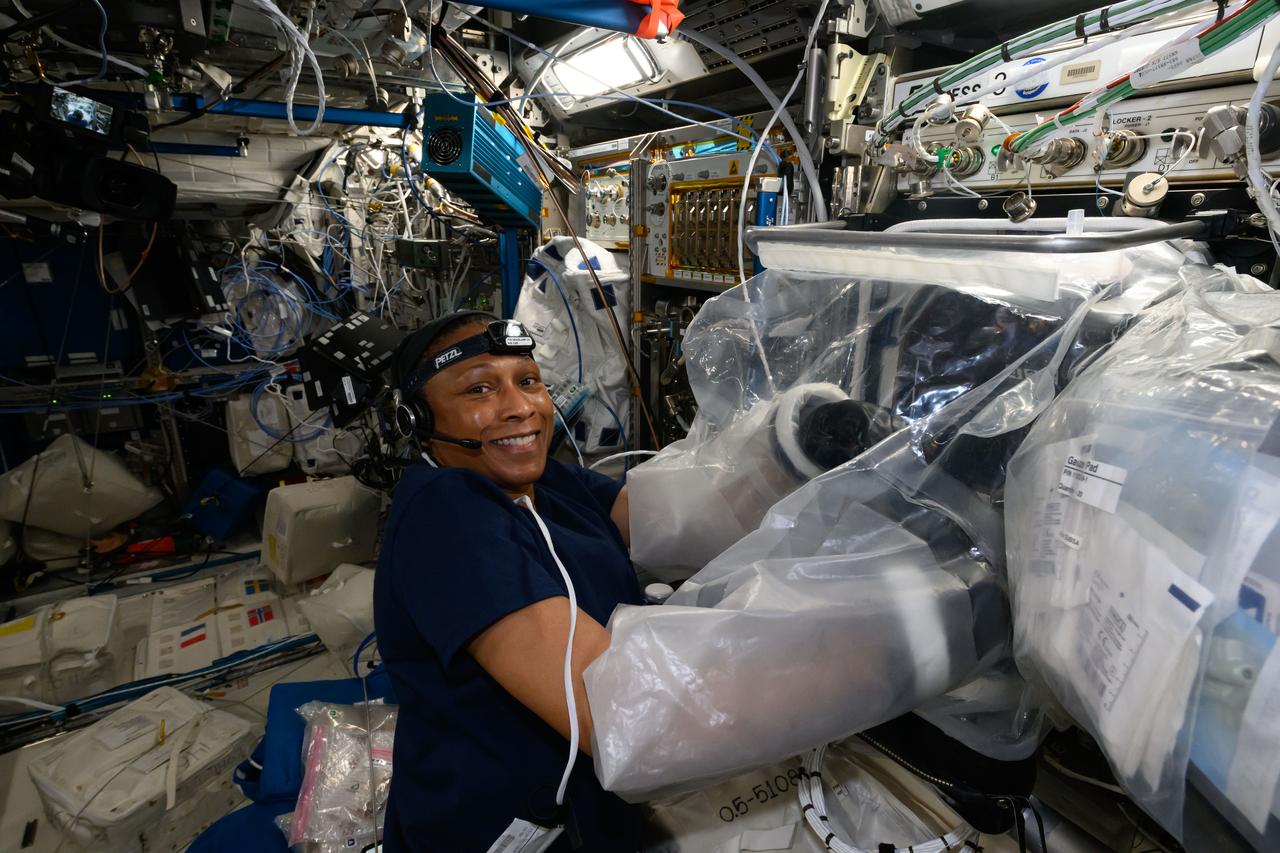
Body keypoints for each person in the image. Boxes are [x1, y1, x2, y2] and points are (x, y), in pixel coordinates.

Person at [373, 310, 647, 851]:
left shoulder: (543, 480)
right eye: (479, 389)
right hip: (497, 823)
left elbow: (679, 519)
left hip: (598, 807)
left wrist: (791, 444)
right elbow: (626, 720)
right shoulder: (444, 513)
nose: (521, 407)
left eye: (528, 381)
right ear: (416, 420)